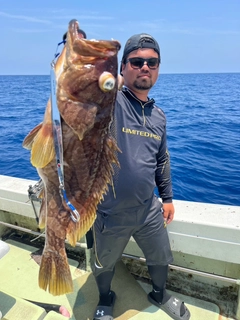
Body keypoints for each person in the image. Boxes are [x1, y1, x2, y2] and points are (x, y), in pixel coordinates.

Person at [91, 33, 191, 320]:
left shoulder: (159, 116)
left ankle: (159, 294)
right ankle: (105, 298)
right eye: (136, 61)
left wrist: (168, 198)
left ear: (159, 68)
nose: (145, 67)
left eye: (152, 62)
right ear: (123, 68)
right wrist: (113, 76)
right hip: (109, 211)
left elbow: (162, 159)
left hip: (148, 208)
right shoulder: (111, 103)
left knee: (161, 257)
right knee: (104, 263)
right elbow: (98, 88)